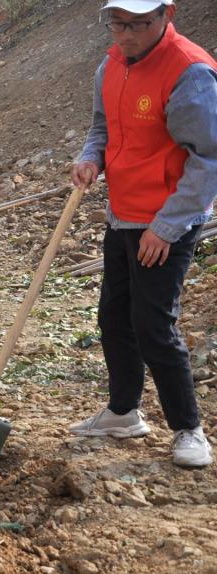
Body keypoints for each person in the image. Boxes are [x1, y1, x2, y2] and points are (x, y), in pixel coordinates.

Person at [69, 0, 217, 467]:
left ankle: (189, 429)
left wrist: (166, 228)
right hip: (123, 214)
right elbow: (102, 127)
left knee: (153, 325)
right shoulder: (111, 64)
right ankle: (123, 412)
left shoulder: (189, 73)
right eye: (117, 23)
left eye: (138, 24)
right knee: (114, 318)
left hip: (167, 220)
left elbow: (208, 159)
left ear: (166, 14)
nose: (126, 34)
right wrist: (90, 158)